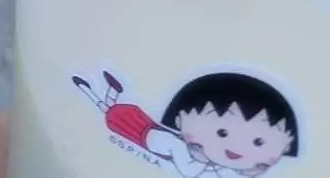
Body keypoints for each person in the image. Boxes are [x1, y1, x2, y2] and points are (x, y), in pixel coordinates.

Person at [73, 70, 298, 176]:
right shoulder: (179, 148)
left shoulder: (202, 155)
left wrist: (250, 171)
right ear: (180, 119)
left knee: (110, 108)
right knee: (110, 111)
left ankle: (106, 92)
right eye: (221, 132)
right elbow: (190, 171)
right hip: (137, 129)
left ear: (287, 144)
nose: (236, 148)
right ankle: (93, 91)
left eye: (259, 142)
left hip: (148, 129)